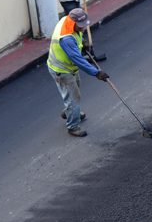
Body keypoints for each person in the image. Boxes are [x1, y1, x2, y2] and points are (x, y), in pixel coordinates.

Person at [47, 8, 109, 137]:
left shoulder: (67, 21)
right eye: (80, 26)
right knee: (73, 99)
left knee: (75, 92)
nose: (83, 28)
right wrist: (96, 73)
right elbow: (78, 59)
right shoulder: (66, 39)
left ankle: (69, 111)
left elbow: (78, 37)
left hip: (68, 67)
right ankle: (73, 126)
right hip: (62, 70)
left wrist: (82, 43)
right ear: (73, 22)